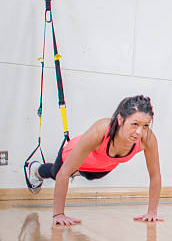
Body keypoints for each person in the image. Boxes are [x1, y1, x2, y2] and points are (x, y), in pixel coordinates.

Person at [25, 95, 162, 225]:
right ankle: (36, 170)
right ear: (120, 120)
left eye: (145, 126)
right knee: (57, 174)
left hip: (100, 169)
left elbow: (155, 175)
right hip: (72, 154)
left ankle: (75, 172)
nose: (139, 132)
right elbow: (64, 173)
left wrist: (152, 212)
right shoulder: (101, 131)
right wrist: (58, 214)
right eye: (134, 124)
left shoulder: (147, 138)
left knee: (89, 176)